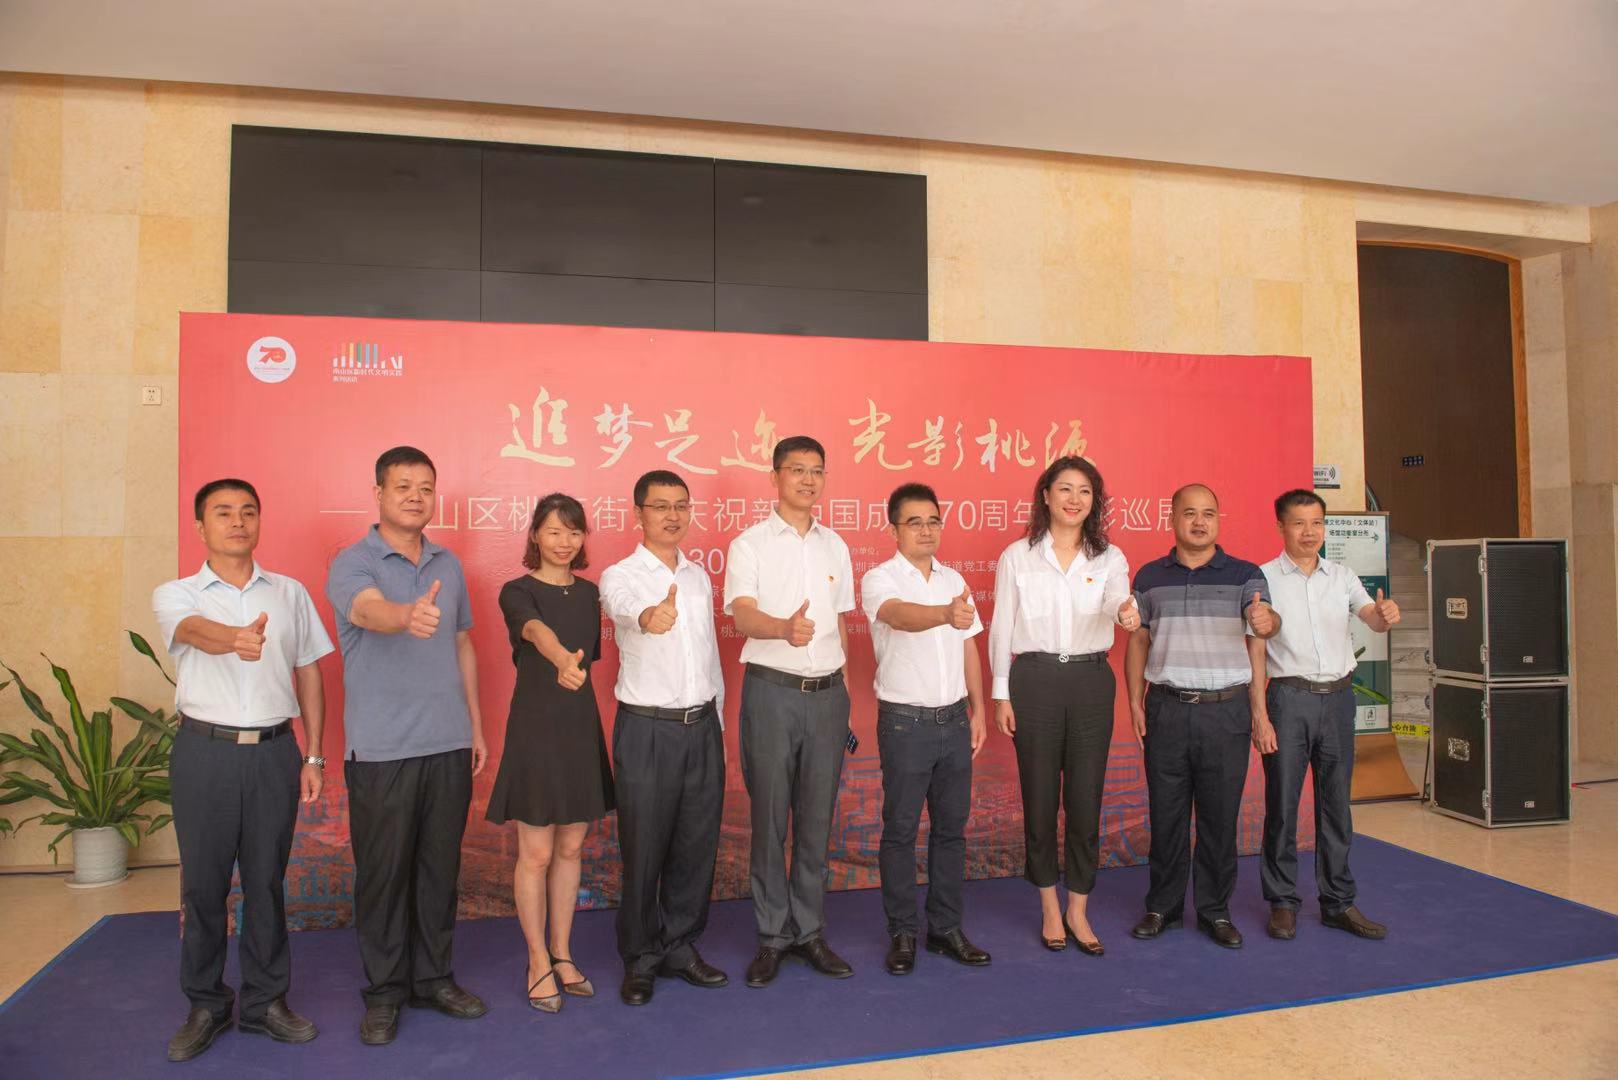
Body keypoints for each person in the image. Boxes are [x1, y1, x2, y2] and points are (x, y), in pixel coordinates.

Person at [154, 478, 333, 1062]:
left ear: (259, 521)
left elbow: (309, 671)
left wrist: (312, 754)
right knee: (203, 886)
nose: (237, 522)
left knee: (266, 883)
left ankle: (265, 1002)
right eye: (223, 512)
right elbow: (191, 633)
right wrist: (235, 638)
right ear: (200, 526)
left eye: (248, 512)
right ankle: (206, 1004)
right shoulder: (177, 594)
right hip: (203, 753)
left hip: (274, 753)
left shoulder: (288, 592)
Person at [325, 446, 488, 1045]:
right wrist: (405, 616)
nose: (416, 497)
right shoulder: (353, 562)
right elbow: (367, 612)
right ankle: (385, 992)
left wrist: (474, 726)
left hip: (447, 742)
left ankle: (434, 979)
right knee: (384, 876)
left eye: (425, 487)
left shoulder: (449, 564)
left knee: (438, 871)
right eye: (403, 486)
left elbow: (463, 644)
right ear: (378, 494)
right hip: (382, 749)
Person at [723, 435, 856, 988]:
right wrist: (783, 628)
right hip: (772, 693)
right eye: (797, 469)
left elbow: (841, 621)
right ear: (775, 476)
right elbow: (742, 615)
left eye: (817, 471)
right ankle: (772, 935)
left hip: (828, 697)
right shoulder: (749, 544)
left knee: (817, 819)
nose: (808, 480)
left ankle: (810, 931)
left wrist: (845, 695)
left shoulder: (835, 546)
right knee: (771, 819)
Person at [989, 456, 1136, 956]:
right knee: (1039, 798)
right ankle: (1049, 907)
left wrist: (1125, 611)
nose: (1075, 499)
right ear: (1046, 496)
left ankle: (1078, 909)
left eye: (1085, 491)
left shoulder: (1108, 557)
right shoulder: (1018, 556)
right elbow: (1001, 626)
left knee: (1085, 799)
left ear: (1095, 502)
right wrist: (1002, 693)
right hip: (1035, 680)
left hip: (1091, 680)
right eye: (1065, 489)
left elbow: (1116, 600)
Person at [1125, 483, 1279, 950]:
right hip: (1167, 708)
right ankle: (1163, 907)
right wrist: (1134, 701)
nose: (1199, 522)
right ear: (1172, 519)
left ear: (1218, 519)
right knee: (1166, 815)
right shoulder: (1150, 576)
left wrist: (1268, 624)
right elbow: (1138, 640)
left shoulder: (1245, 575)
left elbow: (1263, 626)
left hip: (1225, 712)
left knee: (1219, 818)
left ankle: (1215, 910)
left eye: (1208, 513)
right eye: (1189, 513)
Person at [600, 471, 727, 1005]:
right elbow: (624, 609)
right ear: (639, 514)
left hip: (702, 727)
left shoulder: (698, 577)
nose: (672, 516)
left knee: (696, 846)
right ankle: (640, 958)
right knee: (644, 846)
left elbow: (709, 656)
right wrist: (649, 615)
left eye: (681, 506)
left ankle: (679, 945)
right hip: (648, 729)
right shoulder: (620, 575)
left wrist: (718, 722)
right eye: (660, 506)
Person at [485, 492, 616, 1011]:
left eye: (574, 531)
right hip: (536, 730)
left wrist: (573, 666)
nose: (564, 541)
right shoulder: (517, 590)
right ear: (535, 535)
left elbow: (592, 658)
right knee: (536, 853)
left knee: (570, 849)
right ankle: (536, 958)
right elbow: (535, 631)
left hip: (579, 728)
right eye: (554, 531)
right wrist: (561, 657)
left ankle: (562, 952)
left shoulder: (590, 594)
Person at [1258, 489, 1399, 942]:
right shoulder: (1262, 578)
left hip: (1338, 700)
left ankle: (1338, 901)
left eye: (1317, 522)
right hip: (1288, 698)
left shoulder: (1342, 576)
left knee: (1336, 805)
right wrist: (1259, 713)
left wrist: (1384, 614)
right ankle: (1282, 901)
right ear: (1281, 527)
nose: (1309, 532)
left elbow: (1371, 617)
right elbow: (1256, 646)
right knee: (1282, 805)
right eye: (1299, 523)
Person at [862, 482, 990, 976]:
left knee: (951, 831)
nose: (926, 530)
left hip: (954, 720)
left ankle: (945, 928)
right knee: (900, 831)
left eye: (933, 521)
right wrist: (944, 614)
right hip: (905, 723)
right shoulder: (879, 579)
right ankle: (902, 931)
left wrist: (978, 711)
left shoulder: (954, 579)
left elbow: (968, 645)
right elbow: (898, 616)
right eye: (914, 522)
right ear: (893, 529)